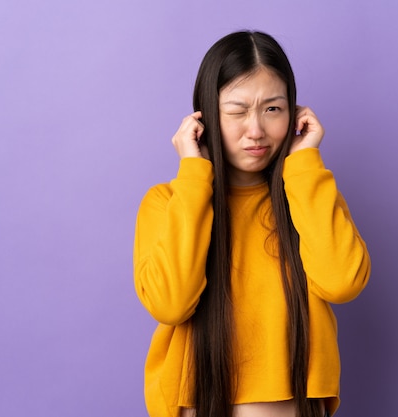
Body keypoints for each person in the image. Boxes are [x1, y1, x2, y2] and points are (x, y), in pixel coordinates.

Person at [133, 30, 371, 417]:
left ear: (294, 113)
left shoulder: (308, 195)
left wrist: (305, 163)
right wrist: (195, 173)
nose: (256, 130)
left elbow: (343, 283)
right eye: (237, 111)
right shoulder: (167, 202)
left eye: (272, 109)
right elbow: (171, 304)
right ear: (204, 116)